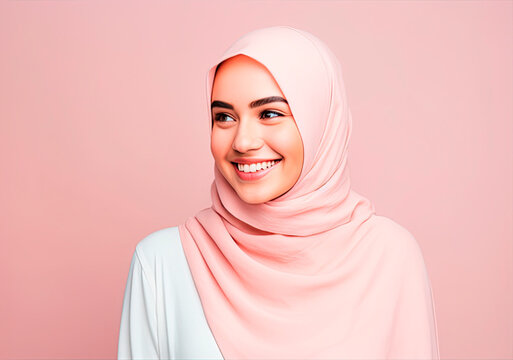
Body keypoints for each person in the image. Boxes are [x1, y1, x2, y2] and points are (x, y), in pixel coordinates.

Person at [117, 26, 440, 359]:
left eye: (269, 114)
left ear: (322, 122)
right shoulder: (162, 263)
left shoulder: (390, 256)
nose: (242, 142)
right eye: (224, 117)